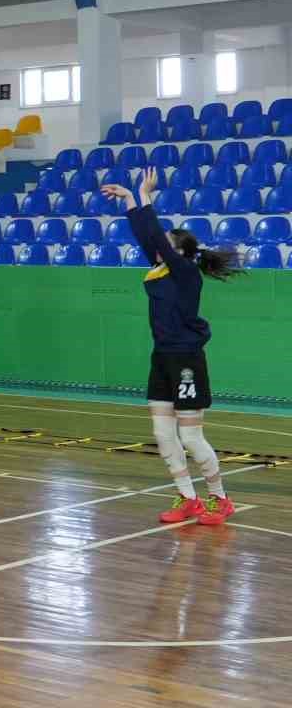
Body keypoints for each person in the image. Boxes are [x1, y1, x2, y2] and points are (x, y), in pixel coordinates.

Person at [102, 169, 241, 527]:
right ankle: (188, 498)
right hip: (161, 358)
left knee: (190, 436)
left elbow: (158, 241)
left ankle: (220, 499)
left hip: (186, 360)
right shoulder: (160, 270)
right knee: (163, 435)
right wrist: (131, 202)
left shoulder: (185, 273)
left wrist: (144, 195)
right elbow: (148, 237)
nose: (157, 245)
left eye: (166, 243)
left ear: (180, 251)